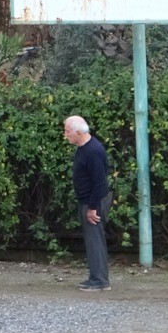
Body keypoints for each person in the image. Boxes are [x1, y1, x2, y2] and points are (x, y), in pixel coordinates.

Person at [64, 115, 112, 291]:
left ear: (78, 132)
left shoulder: (93, 151)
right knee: (92, 240)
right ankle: (95, 276)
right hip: (88, 200)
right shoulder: (83, 148)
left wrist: (92, 208)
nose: (65, 135)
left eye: (67, 131)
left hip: (94, 201)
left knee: (95, 240)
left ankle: (100, 280)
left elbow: (100, 183)